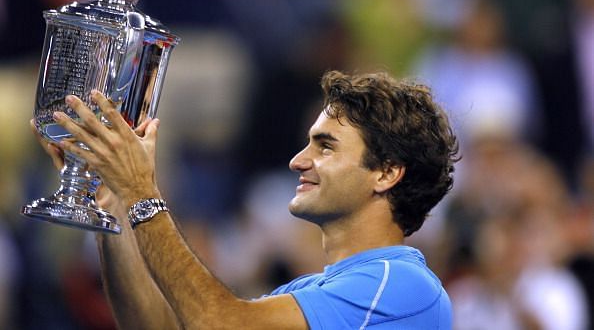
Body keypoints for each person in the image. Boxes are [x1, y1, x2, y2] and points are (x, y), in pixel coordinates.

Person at [35, 70, 459, 329]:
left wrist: (142, 192)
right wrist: (116, 204)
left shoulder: (400, 284)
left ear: (386, 173)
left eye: (325, 147)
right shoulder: (313, 290)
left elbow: (217, 322)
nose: (298, 161)